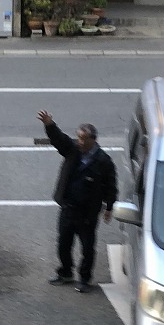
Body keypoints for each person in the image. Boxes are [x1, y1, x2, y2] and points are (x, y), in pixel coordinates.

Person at [37, 110, 117, 293]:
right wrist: (49, 124)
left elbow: (110, 185)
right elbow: (59, 139)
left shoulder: (103, 161)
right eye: (78, 138)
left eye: (83, 139)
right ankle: (65, 272)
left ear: (93, 140)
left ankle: (85, 279)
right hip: (68, 208)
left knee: (87, 249)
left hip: (87, 214)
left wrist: (109, 207)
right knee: (63, 244)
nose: (79, 142)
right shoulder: (72, 150)